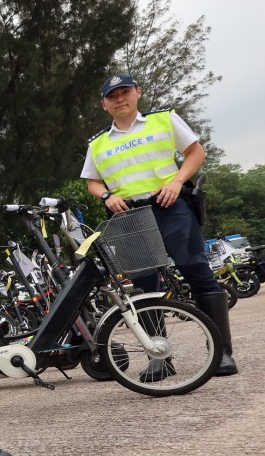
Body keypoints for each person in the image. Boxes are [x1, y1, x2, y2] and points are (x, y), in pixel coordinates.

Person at [81, 73, 237, 378]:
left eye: (125, 92)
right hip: (129, 216)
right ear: (104, 104)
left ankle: (222, 354)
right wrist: (106, 196)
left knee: (197, 271)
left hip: (169, 206)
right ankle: (159, 357)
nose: (120, 99)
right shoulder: (98, 143)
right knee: (142, 286)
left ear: (137, 93)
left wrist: (178, 182)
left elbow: (196, 152)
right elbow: (93, 182)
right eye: (112, 96)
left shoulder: (164, 120)